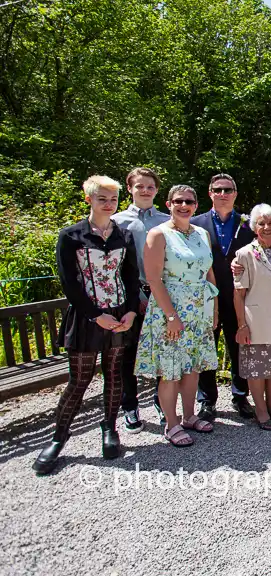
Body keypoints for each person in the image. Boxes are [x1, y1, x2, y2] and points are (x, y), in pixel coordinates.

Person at [33, 176, 140, 475]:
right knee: (79, 380)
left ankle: (110, 428)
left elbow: (131, 278)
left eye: (113, 199)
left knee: (114, 374)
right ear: (89, 199)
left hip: (119, 313)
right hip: (87, 316)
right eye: (102, 198)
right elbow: (69, 283)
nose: (108, 204)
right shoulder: (71, 236)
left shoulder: (124, 235)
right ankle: (58, 437)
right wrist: (95, 314)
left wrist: (131, 312)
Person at [135, 185, 219, 447]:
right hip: (170, 309)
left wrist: (214, 307)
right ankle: (171, 424)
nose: (184, 205)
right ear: (169, 203)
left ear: (196, 205)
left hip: (199, 310)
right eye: (178, 201)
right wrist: (171, 316)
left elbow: (209, 272)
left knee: (193, 367)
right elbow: (153, 279)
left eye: (189, 201)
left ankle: (189, 415)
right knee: (171, 370)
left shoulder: (202, 234)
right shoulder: (158, 234)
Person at [191, 173, 255, 422]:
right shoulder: (196, 224)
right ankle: (207, 400)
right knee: (207, 349)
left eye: (228, 189)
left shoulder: (248, 224)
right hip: (206, 298)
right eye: (217, 189)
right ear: (210, 193)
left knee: (240, 347)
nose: (223, 194)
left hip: (240, 296)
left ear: (235, 194)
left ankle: (240, 396)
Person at [111, 167, 169, 433]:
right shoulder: (116, 221)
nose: (145, 191)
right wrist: (136, 297)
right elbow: (115, 265)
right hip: (129, 295)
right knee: (128, 354)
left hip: (163, 294)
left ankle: (162, 402)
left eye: (150, 186)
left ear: (157, 190)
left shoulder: (167, 220)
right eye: (140, 186)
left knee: (162, 352)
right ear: (130, 189)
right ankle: (130, 405)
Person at [232, 204, 271, 430]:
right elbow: (238, 294)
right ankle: (260, 410)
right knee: (258, 367)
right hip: (256, 319)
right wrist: (241, 325)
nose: (267, 227)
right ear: (254, 227)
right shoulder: (245, 253)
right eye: (261, 223)